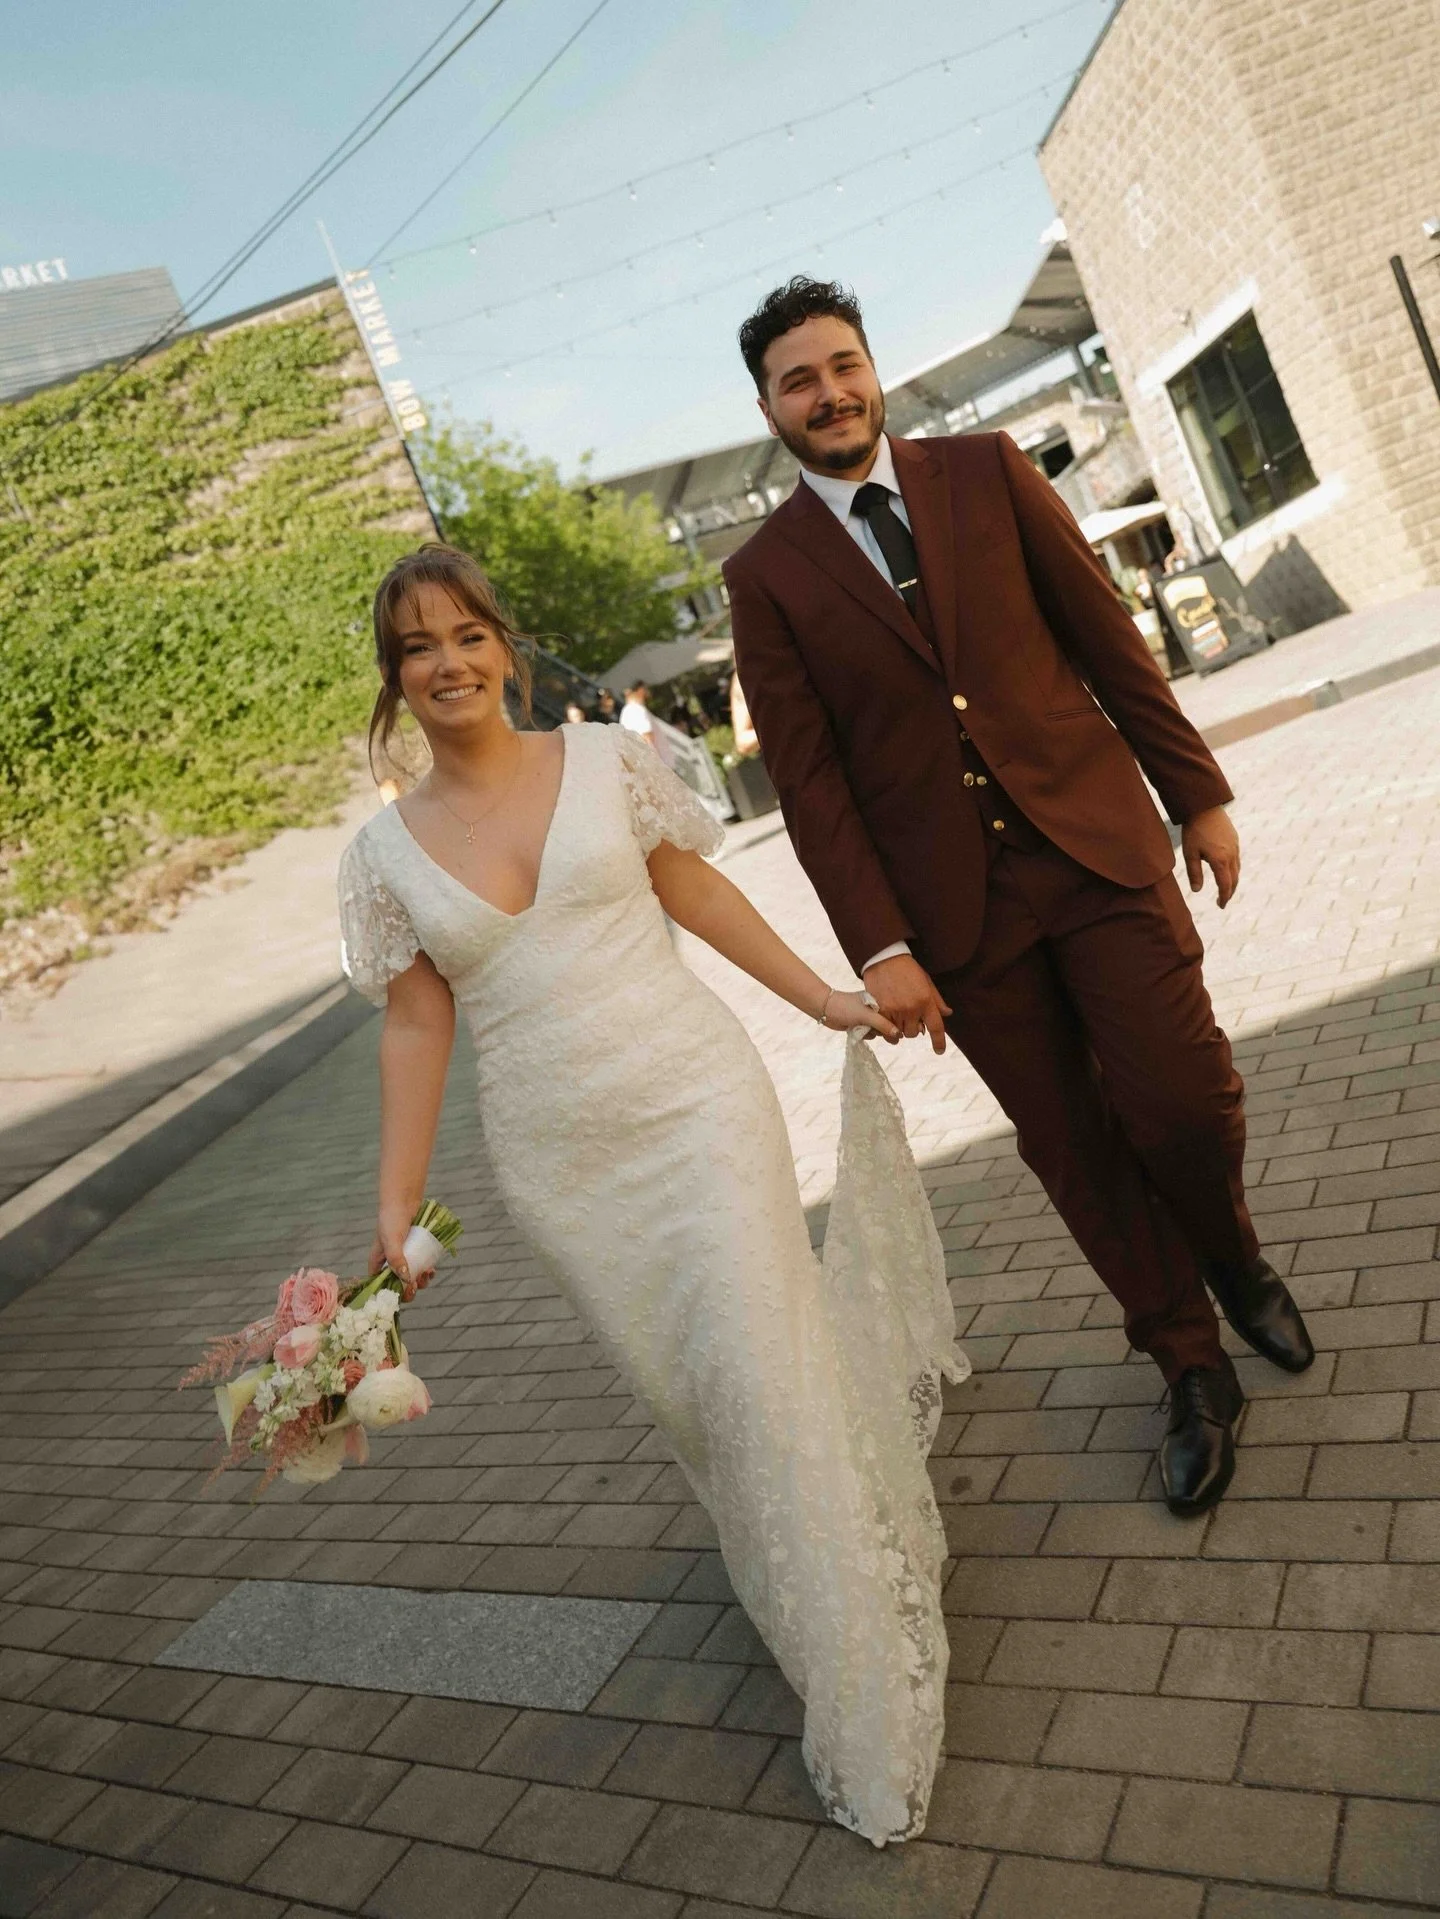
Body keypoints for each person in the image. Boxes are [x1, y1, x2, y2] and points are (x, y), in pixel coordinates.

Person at [337, 544, 968, 1845]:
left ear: (504, 645)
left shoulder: (605, 762)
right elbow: (413, 1028)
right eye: (417, 645)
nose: (447, 660)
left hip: (697, 1107)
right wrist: (393, 1208)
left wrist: (827, 996)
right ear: (394, 678)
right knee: (705, 1404)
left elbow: (696, 887)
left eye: (466, 633)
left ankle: (861, 1691)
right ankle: (803, 1574)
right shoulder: (385, 854)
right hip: (563, 1168)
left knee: (754, 1370)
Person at [722, 278, 1314, 1518]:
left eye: (842, 365)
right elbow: (813, 783)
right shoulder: (765, 575)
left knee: (1183, 1093)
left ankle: (1234, 1250)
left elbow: (1108, 638)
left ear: (873, 368)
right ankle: (1190, 1363)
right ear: (768, 406)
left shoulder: (986, 470)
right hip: (959, 921)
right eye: (797, 379)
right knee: (1076, 1151)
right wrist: (881, 947)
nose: (828, 392)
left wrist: (1195, 791)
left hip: (1097, 849)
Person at [619, 679, 657, 749]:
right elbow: (647, 736)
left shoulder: (629, 709)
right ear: (641, 690)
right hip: (643, 750)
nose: (647, 693)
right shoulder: (635, 708)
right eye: (645, 690)